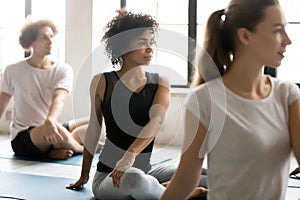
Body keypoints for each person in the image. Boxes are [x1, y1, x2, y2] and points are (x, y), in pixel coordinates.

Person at [161, 0, 300, 199]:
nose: (288, 40)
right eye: (278, 30)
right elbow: (184, 180)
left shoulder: (288, 94)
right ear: (245, 36)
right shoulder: (204, 100)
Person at [67, 10, 207, 200]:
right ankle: (182, 195)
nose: (150, 48)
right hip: (110, 176)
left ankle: (160, 190)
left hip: (147, 171)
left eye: (151, 42)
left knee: (204, 174)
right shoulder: (102, 81)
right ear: (122, 47)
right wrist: (84, 175)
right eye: (142, 43)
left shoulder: (160, 82)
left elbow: (156, 121)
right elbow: (93, 130)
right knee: (135, 180)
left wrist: (130, 155)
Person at [0, 19, 88, 160]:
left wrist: (50, 121)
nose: (50, 41)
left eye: (52, 36)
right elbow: (1, 106)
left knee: (99, 121)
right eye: (44, 37)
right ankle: (80, 149)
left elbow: (58, 99)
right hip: (24, 136)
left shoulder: (63, 69)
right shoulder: (13, 70)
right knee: (57, 129)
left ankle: (56, 147)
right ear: (32, 41)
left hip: (50, 125)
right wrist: (50, 123)